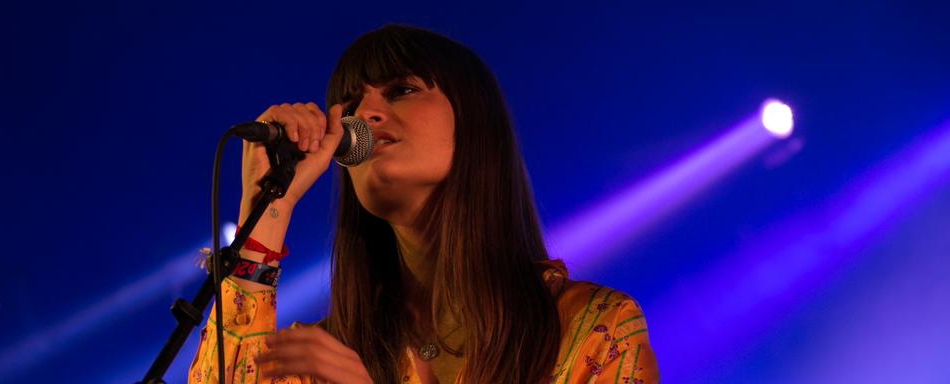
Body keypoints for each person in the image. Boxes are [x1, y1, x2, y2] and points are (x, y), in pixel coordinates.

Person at [188, 24, 658, 384]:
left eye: (402, 90)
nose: (363, 115)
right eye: (350, 104)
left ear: (474, 125)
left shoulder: (593, 329)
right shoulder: (321, 355)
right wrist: (267, 208)